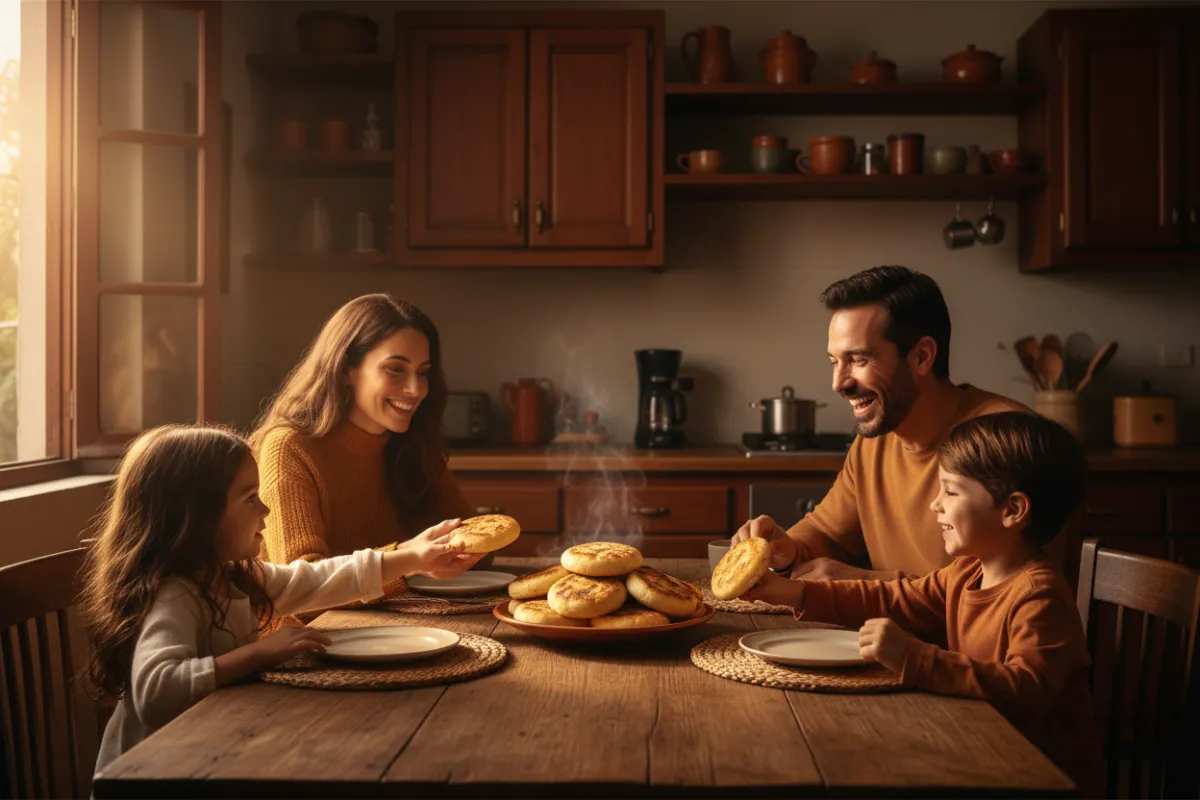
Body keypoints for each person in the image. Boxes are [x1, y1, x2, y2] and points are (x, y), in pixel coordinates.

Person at [81, 425, 483, 774]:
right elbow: (155, 691)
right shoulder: (176, 594)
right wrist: (258, 654)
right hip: (152, 779)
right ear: (198, 516)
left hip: (205, 755)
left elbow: (316, 580)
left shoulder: (233, 576)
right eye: (250, 497)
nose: (267, 508)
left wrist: (411, 557)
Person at [742, 412, 1101, 796]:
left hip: (1039, 779)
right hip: (980, 754)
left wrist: (914, 657)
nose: (935, 505)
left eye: (951, 491)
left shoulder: (1038, 596)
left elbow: (1026, 692)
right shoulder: (966, 572)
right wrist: (793, 594)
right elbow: (896, 599)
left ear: (1012, 510)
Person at [734, 266, 1026, 581]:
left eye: (859, 360)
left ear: (922, 356)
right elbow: (828, 533)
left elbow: (998, 594)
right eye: (835, 362)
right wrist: (787, 550)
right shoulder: (876, 439)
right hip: (884, 629)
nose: (838, 383)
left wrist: (865, 584)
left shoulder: (1006, 440)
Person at [250, 294, 484, 595]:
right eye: (395, 369)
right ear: (347, 369)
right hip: (310, 638)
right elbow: (299, 590)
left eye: (423, 373)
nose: (415, 389)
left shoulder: (412, 444)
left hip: (401, 625)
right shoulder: (289, 448)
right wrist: (407, 560)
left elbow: (478, 547)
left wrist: (471, 546)